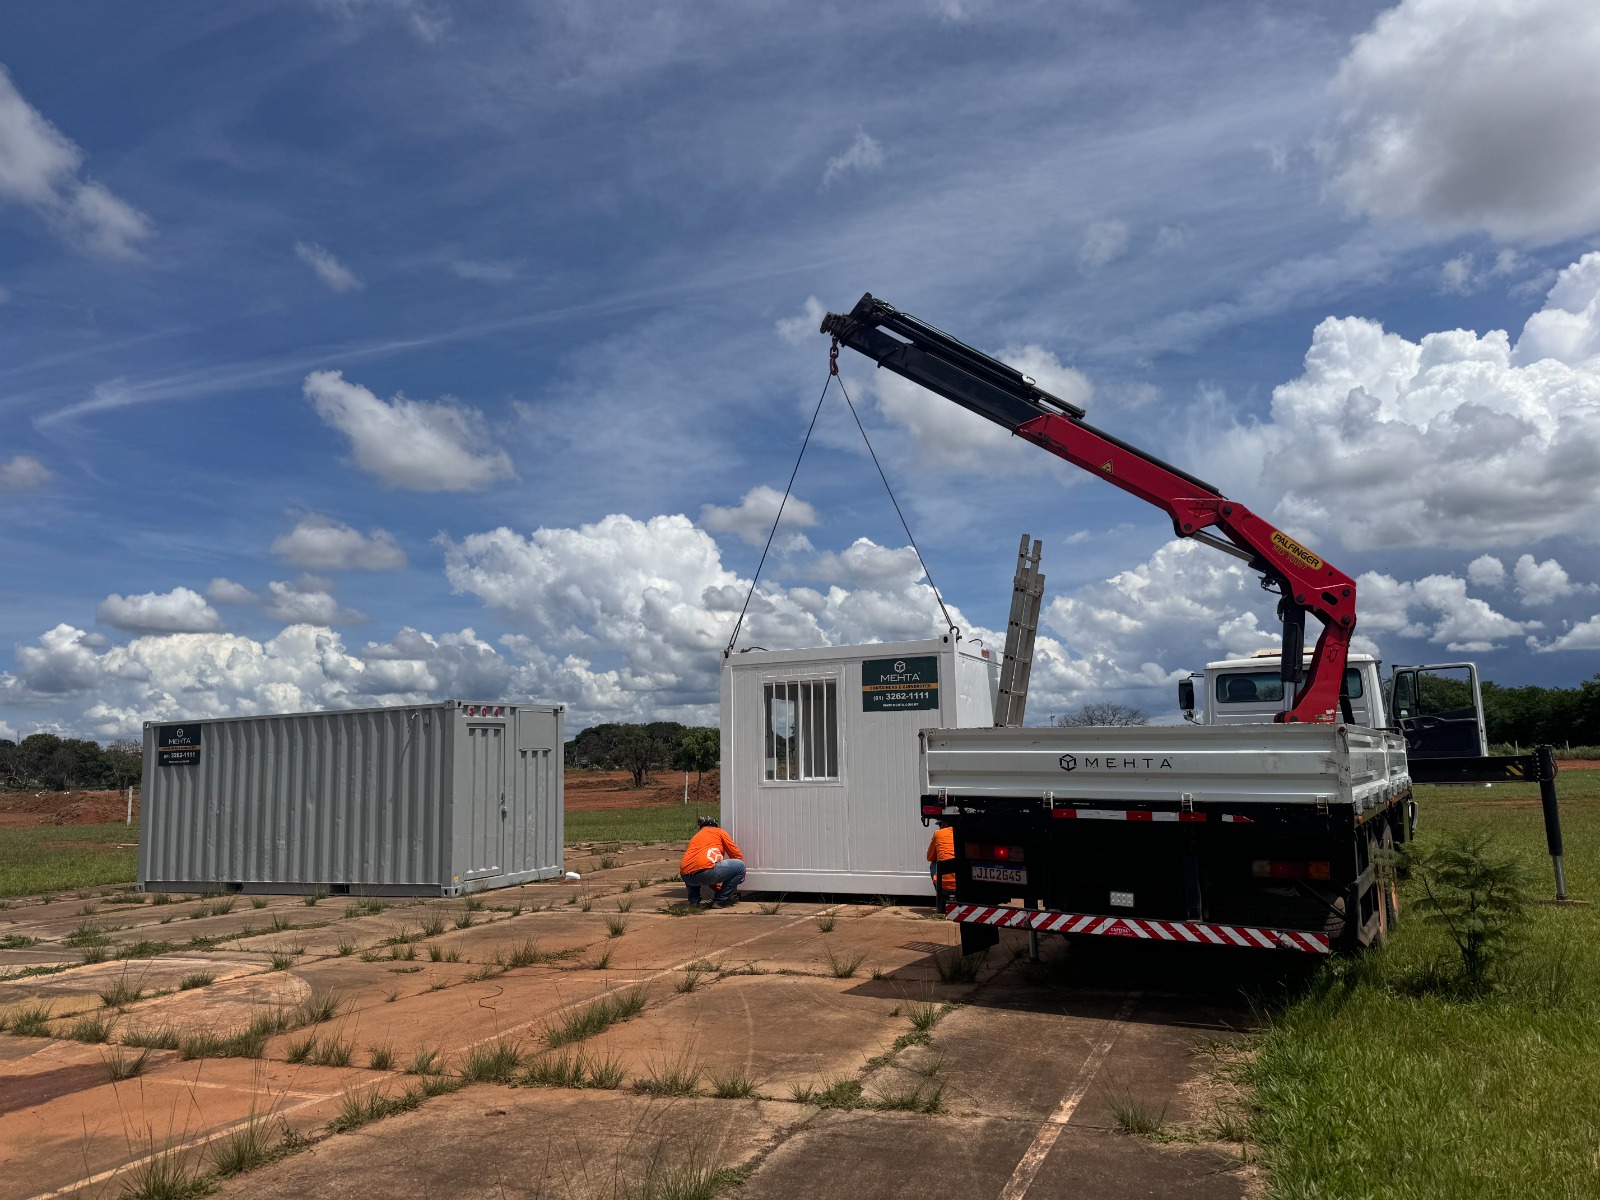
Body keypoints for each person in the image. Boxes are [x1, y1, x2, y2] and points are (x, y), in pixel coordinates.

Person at [681, 816, 746, 908]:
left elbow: (704, 867)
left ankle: (694, 901)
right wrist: (742, 874)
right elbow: (735, 853)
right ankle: (720, 901)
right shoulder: (719, 831)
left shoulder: (696, 836)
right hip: (705, 872)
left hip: (686, 877)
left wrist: (717, 888)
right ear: (716, 825)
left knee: (692, 868)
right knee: (740, 866)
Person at [926, 819, 956, 909]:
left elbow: (930, 857)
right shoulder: (965, 832)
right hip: (963, 887)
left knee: (934, 864)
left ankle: (941, 900)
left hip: (944, 888)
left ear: (945, 823)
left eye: (940, 825)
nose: (939, 828)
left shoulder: (938, 833)